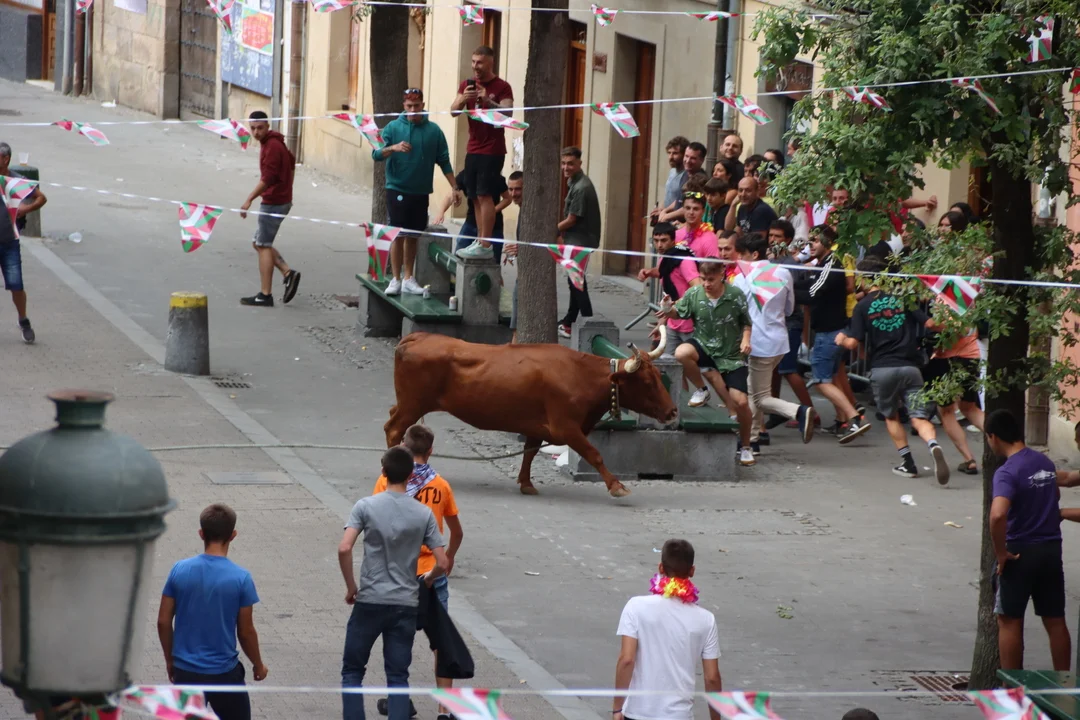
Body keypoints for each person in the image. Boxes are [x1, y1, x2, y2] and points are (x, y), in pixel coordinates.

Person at [339, 447, 450, 720]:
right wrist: (428, 578)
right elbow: (443, 562)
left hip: (370, 599)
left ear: (383, 472)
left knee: (353, 671)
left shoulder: (365, 506)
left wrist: (351, 586)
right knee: (398, 676)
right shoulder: (423, 514)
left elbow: (344, 548)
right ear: (411, 475)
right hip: (405, 603)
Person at [372, 425, 463, 720]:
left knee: (399, 639)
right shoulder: (441, 486)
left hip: (400, 574)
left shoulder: (385, 482)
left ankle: (399, 700)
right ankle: (444, 710)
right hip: (432, 574)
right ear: (431, 451)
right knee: (442, 642)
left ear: (403, 447)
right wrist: (447, 558)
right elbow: (457, 532)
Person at [836, 257, 949, 483]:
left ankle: (908, 463)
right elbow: (929, 324)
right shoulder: (903, 299)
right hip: (910, 368)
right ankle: (932, 444)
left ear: (864, 279)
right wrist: (950, 325)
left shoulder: (862, 306)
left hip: (883, 369)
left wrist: (841, 339)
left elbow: (853, 343)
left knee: (891, 416)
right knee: (918, 416)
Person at [157, 504, 267, 720]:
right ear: (233, 535)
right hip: (224, 674)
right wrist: (258, 665)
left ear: (201, 534)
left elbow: (163, 621)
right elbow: (246, 632)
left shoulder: (179, 570)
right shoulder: (241, 578)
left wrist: (170, 660)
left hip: (186, 673)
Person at [986, 409, 1070, 671]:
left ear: (993, 437)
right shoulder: (1043, 462)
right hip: (1051, 549)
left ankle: (1012, 689)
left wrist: (1001, 553)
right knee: (1055, 620)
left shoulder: (1007, 471)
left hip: (1019, 552)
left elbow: (998, 514)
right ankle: (1064, 685)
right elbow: (1054, 494)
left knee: (1009, 621)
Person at [658, 260, 755, 467]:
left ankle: (746, 446)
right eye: (703, 279)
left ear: (722, 275)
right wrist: (667, 307)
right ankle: (702, 390)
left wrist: (746, 340)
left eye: (711, 280)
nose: (706, 284)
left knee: (741, 402)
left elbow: (746, 323)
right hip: (704, 345)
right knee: (681, 352)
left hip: (731, 354)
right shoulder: (694, 294)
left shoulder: (735, 295)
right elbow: (677, 313)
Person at [613, 539, 722, 720]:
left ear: (661, 568)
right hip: (679, 715)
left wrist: (617, 708)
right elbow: (712, 678)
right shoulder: (706, 620)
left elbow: (626, 660)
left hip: (638, 713)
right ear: (692, 571)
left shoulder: (636, 607)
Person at [732, 233, 816, 452]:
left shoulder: (741, 278)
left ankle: (798, 411)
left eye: (742, 254)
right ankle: (752, 440)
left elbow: (737, 312)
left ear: (754, 254)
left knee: (760, 397)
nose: (739, 258)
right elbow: (789, 309)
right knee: (754, 391)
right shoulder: (783, 272)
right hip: (779, 340)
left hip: (757, 343)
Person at [375, 88, 460, 295]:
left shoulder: (434, 131)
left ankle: (408, 278)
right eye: (409, 106)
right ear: (404, 106)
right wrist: (393, 148)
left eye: (416, 106)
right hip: (397, 188)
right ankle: (395, 279)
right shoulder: (393, 128)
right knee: (398, 234)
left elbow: (444, 161)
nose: (413, 110)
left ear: (423, 105)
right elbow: (376, 154)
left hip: (421, 191)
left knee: (413, 235)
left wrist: (455, 186)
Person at [794, 225, 870, 444]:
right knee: (834, 377)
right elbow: (809, 284)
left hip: (830, 333)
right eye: (809, 241)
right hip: (832, 331)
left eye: (815, 241)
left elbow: (812, 292)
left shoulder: (831, 264)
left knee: (821, 380)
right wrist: (790, 282)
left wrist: (786, 288)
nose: (810, 245)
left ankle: (854, 418)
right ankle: (843, 420)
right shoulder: (823, 264)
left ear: (828, 243)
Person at [451, 46, 514, 260]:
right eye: (473, 62)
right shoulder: (466, 85)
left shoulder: (502, 86)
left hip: (493, 149)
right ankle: (479, 240)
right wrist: (463, 98)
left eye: (479, 62)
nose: (475, 66)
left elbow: (508, 113)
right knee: (475, 197)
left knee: (486, 195)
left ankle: (486, 244)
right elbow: (453, 111)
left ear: (490, 63)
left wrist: (488, 101)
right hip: (473, 147)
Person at [239, 111, 299, 307]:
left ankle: (265, 295)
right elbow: (292, 161)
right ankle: (288, 272)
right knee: (257, 243)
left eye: (260, 128)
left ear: (267, 126)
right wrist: (288, 187)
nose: (256, 132)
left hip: (274, 202)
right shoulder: (275, 142)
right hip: (280, 199)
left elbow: (268, 178)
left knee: (263, 245)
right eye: (253, 128)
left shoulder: (272, 146)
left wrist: (249, 199)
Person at [765, 220, 817, 434]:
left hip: (789, 322)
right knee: (774, 370)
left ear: (787, 240)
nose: (772, 240)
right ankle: (775, 410)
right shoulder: (769, 261)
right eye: (770, 235)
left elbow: (792, 297)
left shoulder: (791, 265)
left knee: (788, 369)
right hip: (773, 322)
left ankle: (811, 412)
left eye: (777, 236)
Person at [0, 142, 46, 343]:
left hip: (9, 241)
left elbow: (41, 198)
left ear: (5, 159)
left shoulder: (17, 181)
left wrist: (25, 210)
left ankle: (23, 320)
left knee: (16, 285)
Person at [557, 147, 601, 339]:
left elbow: (572, 219)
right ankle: (570, 320)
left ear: (579, 164)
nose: (566, 167)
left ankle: (588, 321)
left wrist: (552, 229)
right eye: (563, 163)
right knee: (574, 280)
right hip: (577, 238)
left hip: (580, 239)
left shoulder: (582, 187)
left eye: (570, 163)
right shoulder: (574, 181)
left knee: (576, 282)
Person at [637, 222, 700, 357]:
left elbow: (697, 287)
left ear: (673, 240)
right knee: (667, 363)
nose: (659, 245)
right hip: (673, 322)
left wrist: (677, 303)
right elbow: (664, 272)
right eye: (656, 240)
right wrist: (649, 272)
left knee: (694, 364)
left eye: (664, 240)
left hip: (690, 323)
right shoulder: (666, 257)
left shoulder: (684, 260)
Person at [433, 170, 508, 268]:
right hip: (471, 224)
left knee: (492, 264)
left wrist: (491, 212)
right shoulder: (466, 174)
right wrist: (441, 212)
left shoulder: (495, 175)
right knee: (458, 258)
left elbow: (507, 198)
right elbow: (450, 194)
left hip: (493, 228)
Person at [658, 142, 707, 223]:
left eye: (693, 158)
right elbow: (679, 199)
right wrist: (665, 211)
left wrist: (667, 216)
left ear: (701, 160)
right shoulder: (685, 174)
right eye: (686, 156)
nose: (688, 161)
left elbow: (691, 206)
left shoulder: (700, 180)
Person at [651, 135, 689, 224]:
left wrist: (665, 212)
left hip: (677, 221)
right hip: (665, 220)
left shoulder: (686, 175)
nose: (670, 157)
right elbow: (668, 194)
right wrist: (660, 210)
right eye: (669, 153)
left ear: (684, 155)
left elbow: (681, 201)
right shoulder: (672, 172)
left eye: (675, 153)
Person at [504, 171, 523, 342]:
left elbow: (553, 242)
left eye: (518, 189)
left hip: (529, 277)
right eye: (510, 189)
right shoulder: (523, 210)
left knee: (517, 327)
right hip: (522, 274)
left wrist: (521, 249)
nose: (513, 193)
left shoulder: (532, 212)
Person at [674, 192, 719, 260]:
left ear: (703, 211)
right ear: (683, 209)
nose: (691, 212)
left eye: (696, 209)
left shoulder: (710, 239)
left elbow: (713, 266)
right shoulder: (675, 235)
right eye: (688, 208)